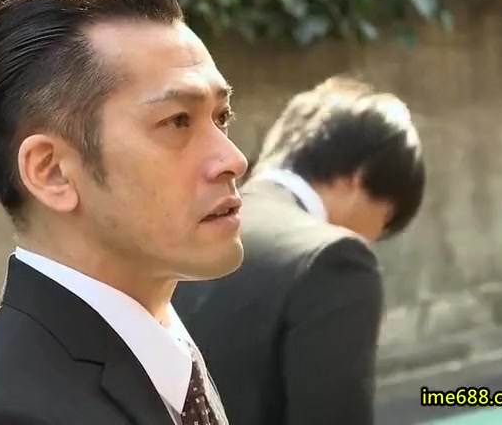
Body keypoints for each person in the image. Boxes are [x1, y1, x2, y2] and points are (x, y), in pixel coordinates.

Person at [0, 0, 248, 424]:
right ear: (52, 172)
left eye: (221, 117)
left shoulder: (157, 342)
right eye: (177, 121)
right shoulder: (12, 414)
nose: (233, 160)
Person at [172, 76, 426, 425]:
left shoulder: (179, 233)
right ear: (359, 178)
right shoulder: (334, 260)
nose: (370, 239)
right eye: (383, 222)